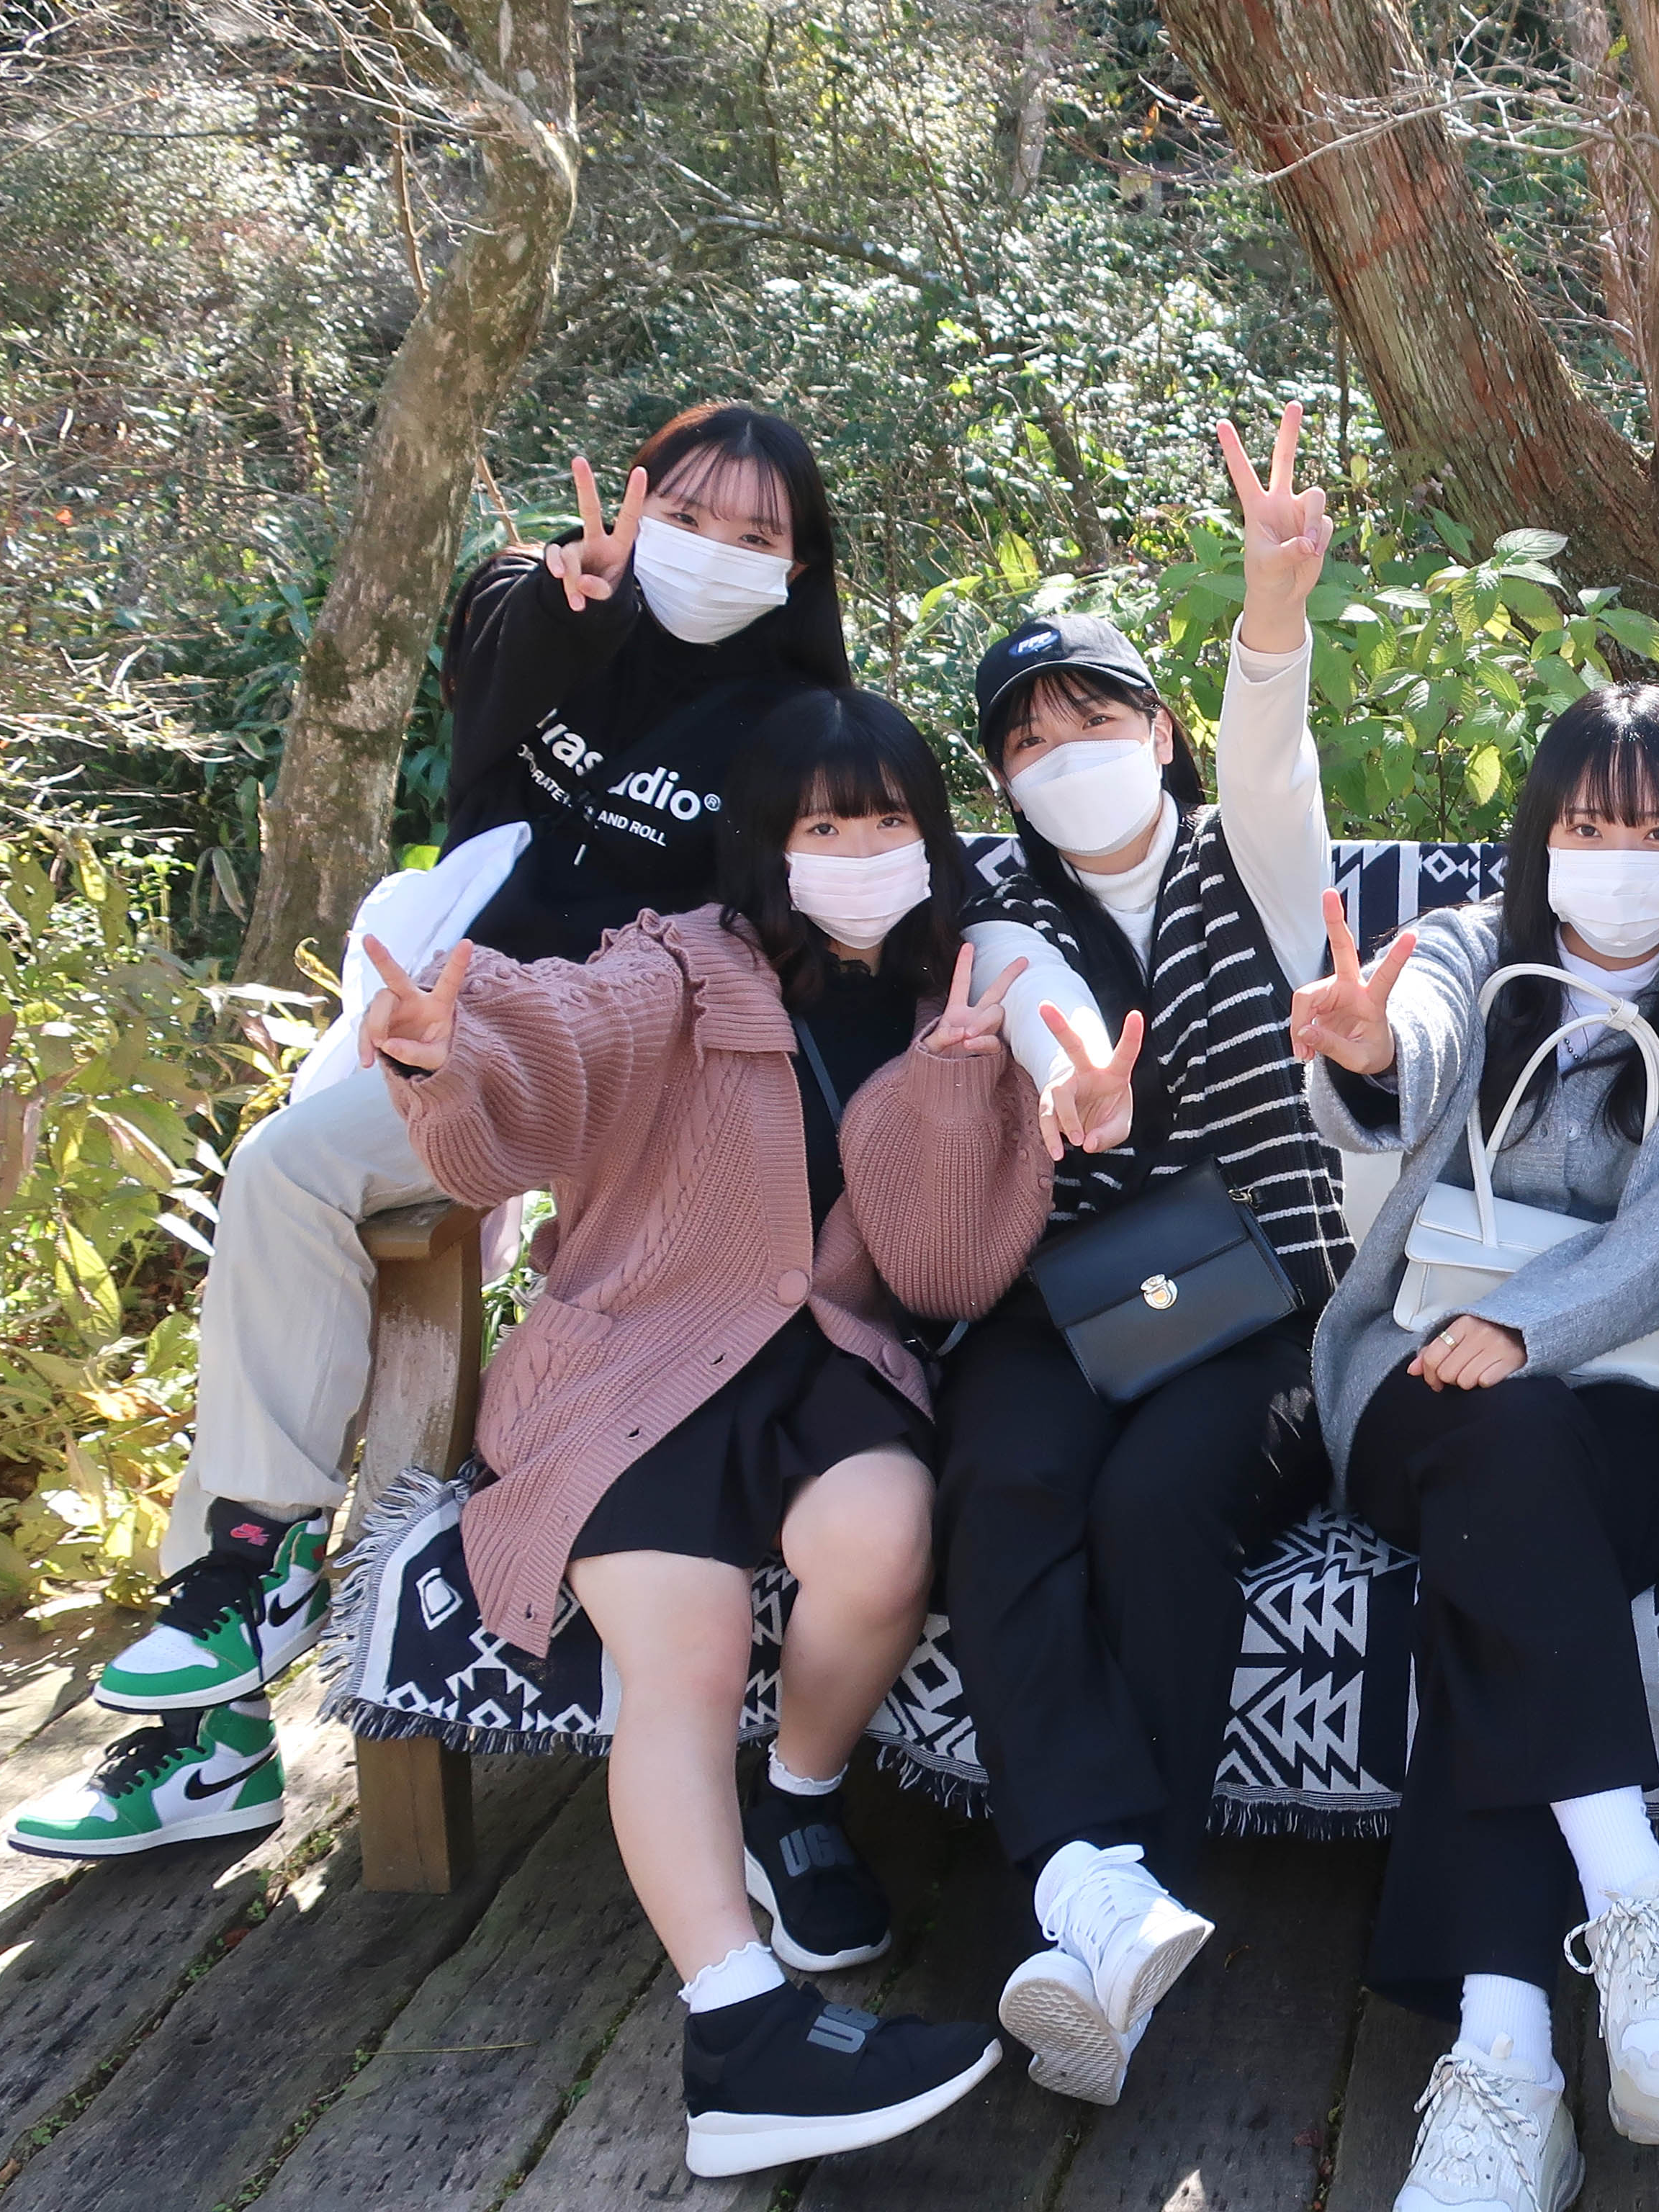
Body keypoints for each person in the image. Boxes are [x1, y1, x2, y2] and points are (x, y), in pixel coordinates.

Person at [6, 405, 1088, 1858]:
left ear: (801, 566)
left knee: (305, 1176)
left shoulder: (784, 726)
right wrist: (567, 614)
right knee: (288, 1180)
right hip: (466, 1039)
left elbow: (856, 907)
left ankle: (242, 1619)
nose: (711, 553)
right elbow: (491, 687)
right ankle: (236, 1627)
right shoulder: (547, 621)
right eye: (684, 517)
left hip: (623, 1078)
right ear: (628, 508)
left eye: (757, 536)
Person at [346, 686, 1048, 2175]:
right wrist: (448, 1047)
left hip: (828, 1360)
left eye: (889, 821)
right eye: (823, 827)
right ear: (764, 843)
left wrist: (952, 1085)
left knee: (885, 1542)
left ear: (933, 837)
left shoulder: (957, 997)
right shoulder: (676, 968)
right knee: (689, 1648)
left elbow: (942, 1276)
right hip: (638, 1358)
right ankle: (738, 2029)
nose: (860, 852)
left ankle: (798, 1801)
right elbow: (558, 1035)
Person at [1291, 687, 1659, 2212]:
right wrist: (1373, 1050)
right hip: (1411, 1393)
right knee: (1501, 1462)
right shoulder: (1465, 949)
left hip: (1624, 1410)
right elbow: (1413, 1045)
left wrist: (1525, 1328)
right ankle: (1639, 1913)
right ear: (1539, 837)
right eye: (1589, 825)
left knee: (1499, 1569)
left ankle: (1508, 2064)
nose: (1620, 858)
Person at [934, 405, 1352, 2109]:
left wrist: (1273, 616)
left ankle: (1125, 1898)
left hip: (1259, 1303)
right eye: (1027, 741)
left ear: (1160, 733)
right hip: (1075, 1295)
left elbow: (1275, 764)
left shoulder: (1256, 866)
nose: (1065, 755)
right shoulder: (997, 915)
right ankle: (1093, 1895)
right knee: (1007, 1475)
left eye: (1094, 718)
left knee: (1158, 1501)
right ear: (1002, 784)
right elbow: (1029, 999)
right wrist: (1070, 1090)